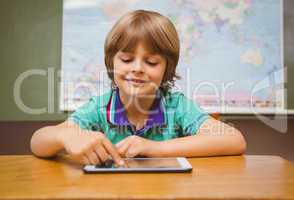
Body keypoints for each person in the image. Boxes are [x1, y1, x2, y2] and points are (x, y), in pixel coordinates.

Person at [30, 10, 246, 166]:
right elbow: (38, 141)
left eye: (151, 62)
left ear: (166, 69)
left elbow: (234, 140)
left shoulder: (176, 106)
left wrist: (155, 148)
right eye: (126, 59)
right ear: (111, 62)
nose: (137, 69)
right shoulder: (98, 108)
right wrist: (65, 137)